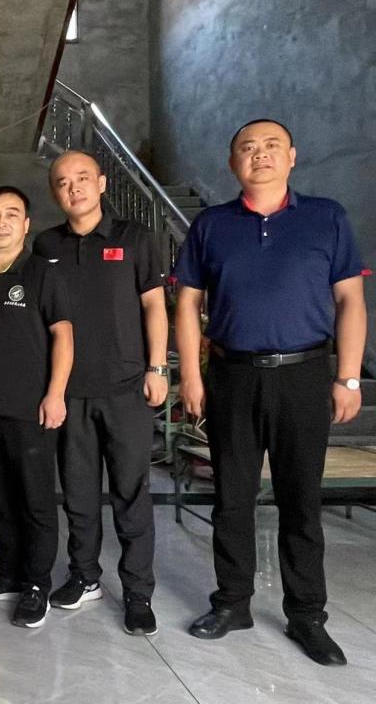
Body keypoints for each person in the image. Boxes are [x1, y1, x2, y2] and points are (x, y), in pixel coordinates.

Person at [175, 119, 366, 665]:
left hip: (304, 374)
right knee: (232, 497)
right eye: (247, 147)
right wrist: (191, 376)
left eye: (271, 146)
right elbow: (187, 304)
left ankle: (307, 614)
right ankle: (232, 602)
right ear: (232, 162)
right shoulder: (211, 225)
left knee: (300, 500)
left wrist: (349, 376)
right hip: (232, 375)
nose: (259, 154)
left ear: (292, 156)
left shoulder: (326, 217)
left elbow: (350, 300)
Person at [34, 150, 168, 636]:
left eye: (83, 178)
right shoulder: (46, 244)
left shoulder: (135, 238)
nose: (74, 188)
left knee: (131, 492)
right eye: (63, 181)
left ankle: (138, 592)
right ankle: (84, 576)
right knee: (78, 493)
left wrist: (157, 367)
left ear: (102, 183)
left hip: (126, 388)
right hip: (70, 393)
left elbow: (154, 306)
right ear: (55, 192)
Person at [0, 186, 74, 628]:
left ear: (26, 225)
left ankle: (36, 584)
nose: (1, 222)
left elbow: (63, 336)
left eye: (12, 214)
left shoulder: (43, 273)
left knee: (35, 500)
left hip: (31, 410)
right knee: (0, 498)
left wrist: (55, 394)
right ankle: (8, 573)